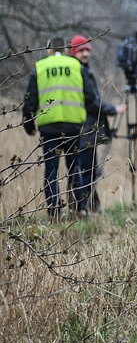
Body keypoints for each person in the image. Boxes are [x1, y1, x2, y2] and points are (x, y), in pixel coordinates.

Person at [22, 36, 98, 219]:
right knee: (74, 167)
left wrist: (28, 124)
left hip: (49, 128)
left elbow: (30, 101)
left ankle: (54, 213)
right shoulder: (75, 66)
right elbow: (90, 96)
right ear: (65, 49)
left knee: (51, 171)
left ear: (48, 50)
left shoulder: (40, 68)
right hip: (72, 126)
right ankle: (78, 209)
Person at [69, 35, 127, 213]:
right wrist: (113, 109)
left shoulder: (84, 69)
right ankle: (83, 208)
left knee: (89, 170)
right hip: (84, 128)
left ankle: (90, 206)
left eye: (87, 50)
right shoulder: (79, 71)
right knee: (87, 171)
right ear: (74, 52)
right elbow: (91, 101)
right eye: (81, 50)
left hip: (85, 128)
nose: (85, 53)